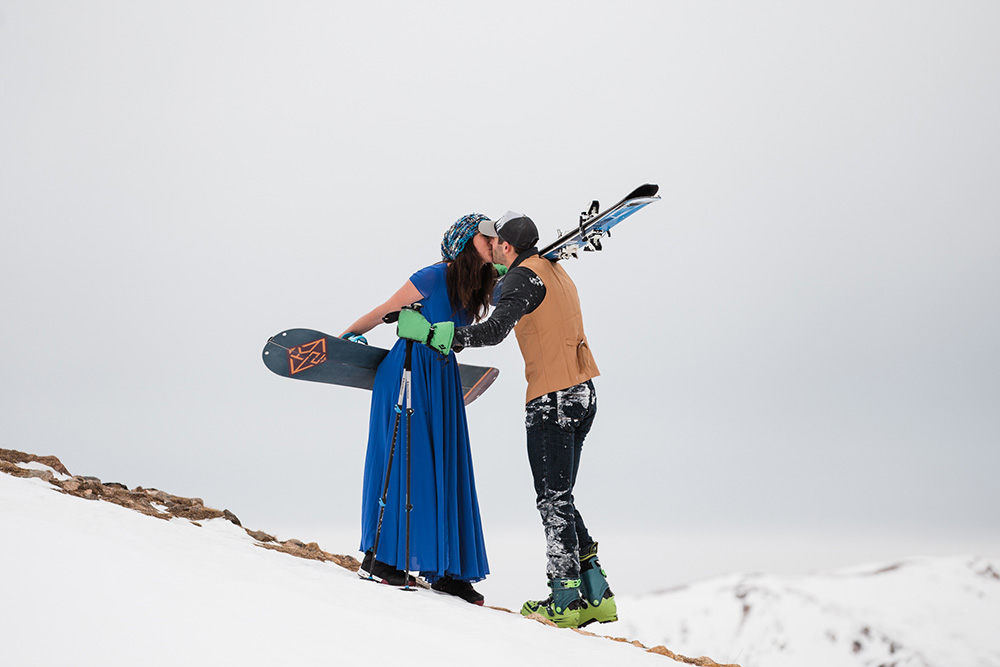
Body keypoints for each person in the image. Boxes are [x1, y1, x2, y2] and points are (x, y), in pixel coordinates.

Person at [432, 210, 619, 628]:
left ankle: (565, 598)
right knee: (562, 494)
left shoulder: (523, 277)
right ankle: (595, 591)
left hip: (551, 398)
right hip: (583, 392)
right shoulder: (554, 270)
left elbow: (496, 329)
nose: (492, 249)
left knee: (552, 499)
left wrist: (446, 335)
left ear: (507, 246)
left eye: (496, 242)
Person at [340, 213, 497, 605]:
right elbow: (383, 311)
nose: (494, 242)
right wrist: (348, 336)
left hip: (442, 375)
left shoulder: (478, 283)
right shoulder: (430, 277)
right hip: (408, 370)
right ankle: (381, 557)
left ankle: (447, 570)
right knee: (407, 460)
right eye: (487, 237)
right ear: (465, 242)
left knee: (446, 463)